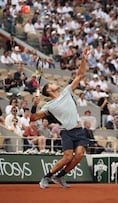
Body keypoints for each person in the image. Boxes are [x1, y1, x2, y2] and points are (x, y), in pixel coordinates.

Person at [30, 48, 90, 189]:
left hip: (79, 130)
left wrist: (84, 59)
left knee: (80, 154)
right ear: (48, 90)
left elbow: (80, 75)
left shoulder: (67, 91)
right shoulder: (49, 106)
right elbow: (33, 118)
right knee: (68, 157)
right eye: (51, 84)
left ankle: (60, 176)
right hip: (67, 132)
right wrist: (34, 106)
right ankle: (46, 177)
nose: (54, 83)